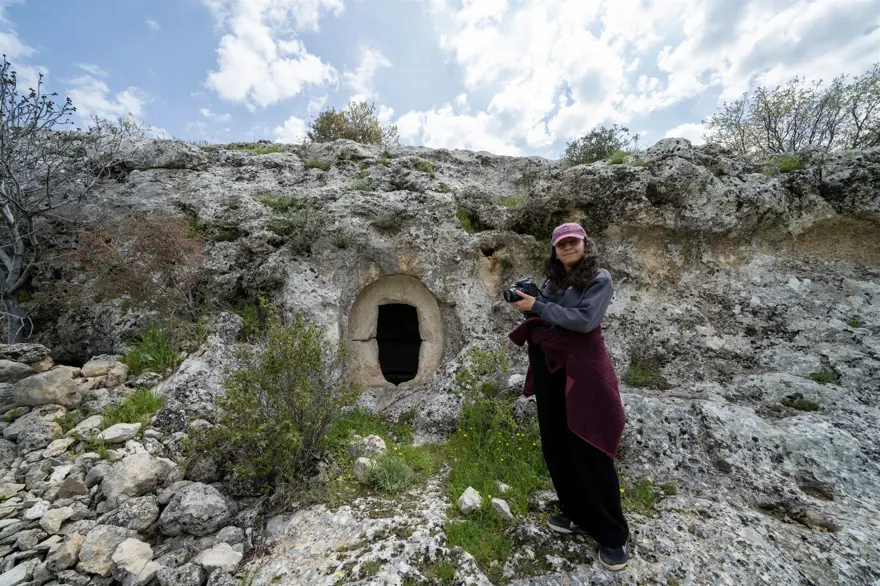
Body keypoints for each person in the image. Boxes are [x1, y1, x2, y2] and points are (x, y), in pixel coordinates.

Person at [507, 222, 630, 571]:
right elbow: (550, 315)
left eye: (572, 242)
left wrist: (540, 307)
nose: (567, 248)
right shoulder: (553, 281)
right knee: (557, 444)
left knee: (588, 445)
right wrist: (530, 301)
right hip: (551, 368)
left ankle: (613, 534)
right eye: (561, 244)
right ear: (554, 250)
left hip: (584, 371)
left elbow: (584, 320)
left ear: (584, 244)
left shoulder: (599, 279)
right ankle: (575, 512)